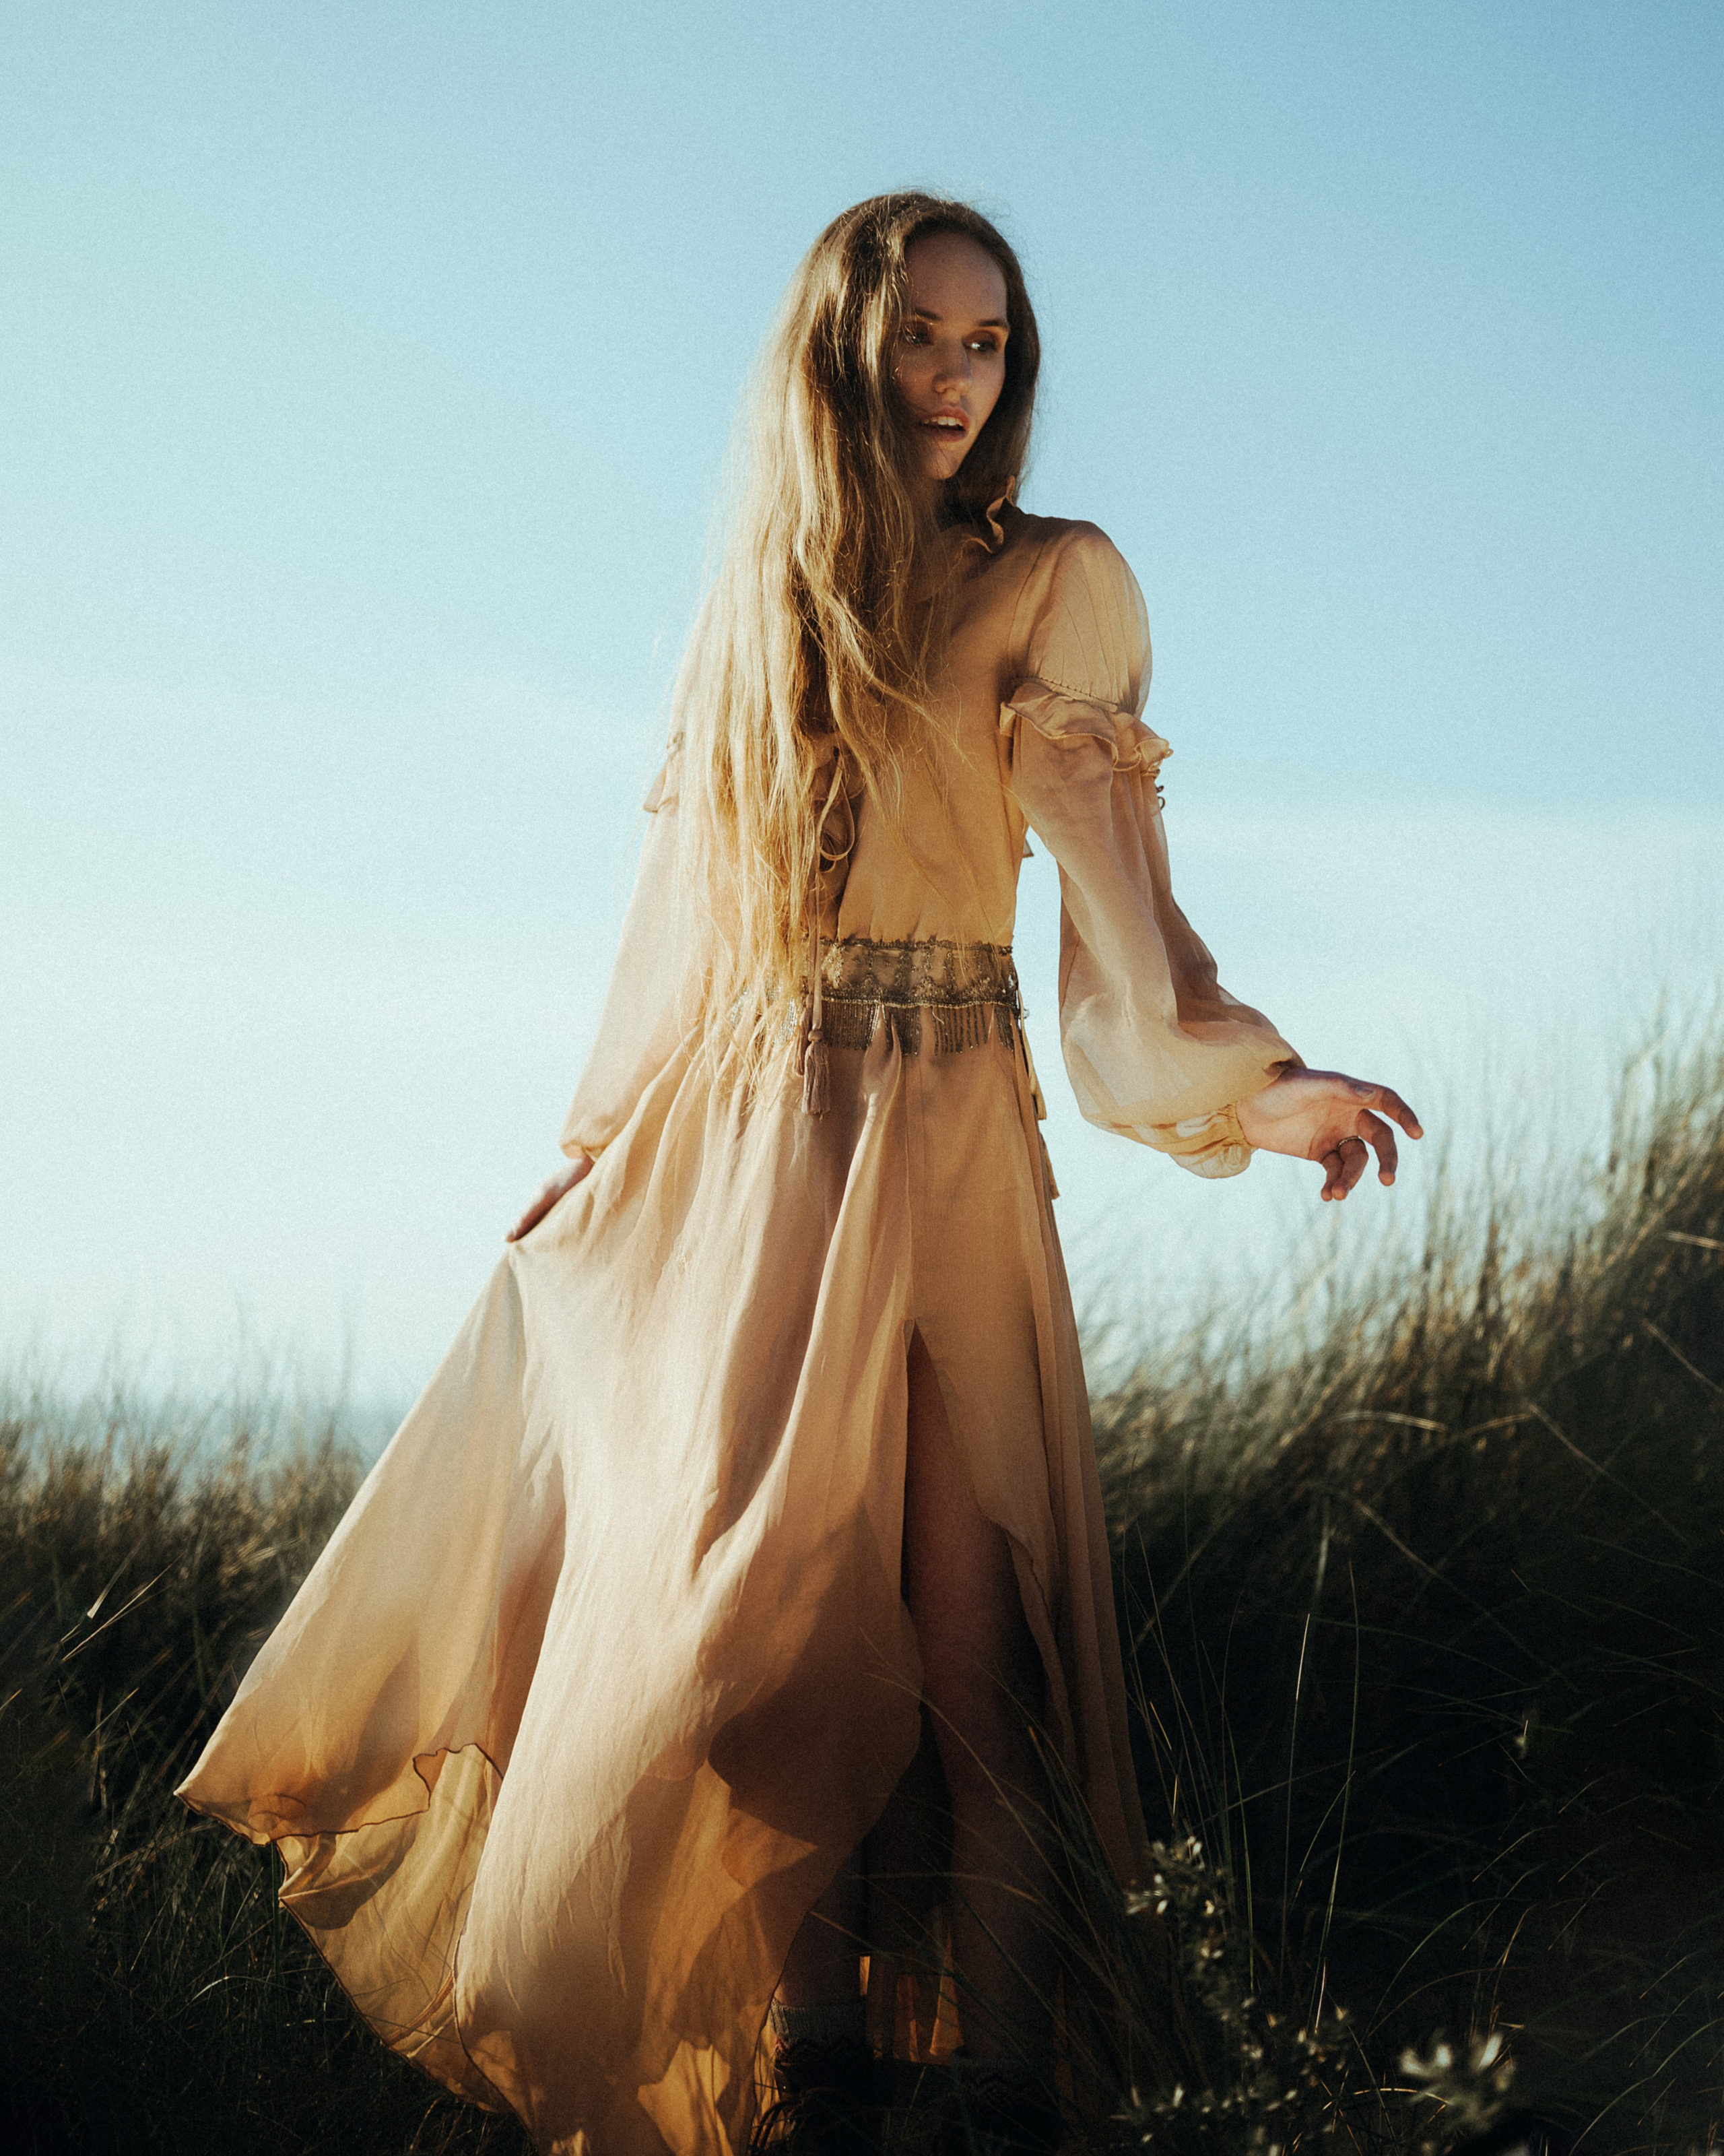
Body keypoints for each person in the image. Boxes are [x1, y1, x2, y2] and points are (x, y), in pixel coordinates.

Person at [178, 193, 1420, 2156]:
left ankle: (1011, 2097)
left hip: (937, 1153)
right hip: (747, 1152)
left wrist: (1240, 1086)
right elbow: (685, 934)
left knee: (964, 1658)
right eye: (920, 338)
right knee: (754, 1653)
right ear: (839, 356)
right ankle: (808, 2087)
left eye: (987, 343)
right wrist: (596, 1158)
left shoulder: (1054, 580)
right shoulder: (755, 615)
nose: (952, 378)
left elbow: (1121, 929)